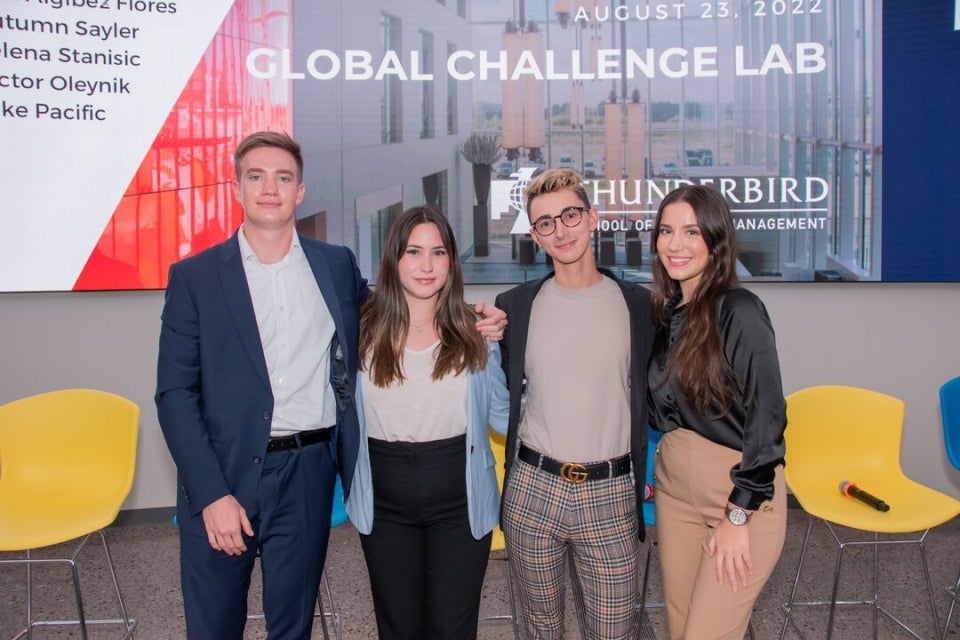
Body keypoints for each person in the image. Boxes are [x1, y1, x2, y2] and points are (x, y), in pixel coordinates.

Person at [155, 131, 505, 639]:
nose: (270, 188)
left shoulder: (334, 266)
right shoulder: (195, 277)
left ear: (300, 191)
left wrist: (478, 319)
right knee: (213, 627)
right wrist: (211, 493)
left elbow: (401, 305)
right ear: (236, 187)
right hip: (224, 474)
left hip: (306, 475)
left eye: (283, 177)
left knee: (293, 627)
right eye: (256, 176)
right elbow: (175, 394)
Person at [494, 168, 655, 639]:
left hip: (610, 491)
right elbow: (497, 389)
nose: (560, 229)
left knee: (613, 630)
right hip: (532, 488)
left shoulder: (639, 306)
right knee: (541, 627)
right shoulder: (514, 306)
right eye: (545, 222)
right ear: (536, 236)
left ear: (593, 218)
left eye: (570, 215)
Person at [345, 206, 510, 640]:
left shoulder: (477, 332)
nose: (426, 265)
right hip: (383, 503)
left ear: (452, 262)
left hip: (459, 501)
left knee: (451, 629)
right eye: (414, 252)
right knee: (398, 627)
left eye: (438, 253)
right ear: (394, 259)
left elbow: (503, 416)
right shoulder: (359, 330)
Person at [647, 184, 788, 640]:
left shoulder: (740, 310)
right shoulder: (668, 313)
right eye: (666, 231)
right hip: (673, 494)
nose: (675, 244)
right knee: (682, 625)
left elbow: (768, 419)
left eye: (691, 231)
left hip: (737, 493)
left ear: (716, 239)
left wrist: (738, 515)